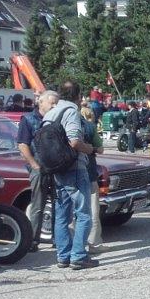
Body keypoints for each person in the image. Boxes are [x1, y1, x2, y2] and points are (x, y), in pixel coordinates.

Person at [44, 81, 98, 270]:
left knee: (61, 215)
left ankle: (63, 256)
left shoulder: (50, 113)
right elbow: (74, 142)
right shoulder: (71, 112)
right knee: (83, 215)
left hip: (56, 169)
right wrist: (89, 149)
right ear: (78, 96)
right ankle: (78, 256)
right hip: (74, 168)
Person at [16, 90, 59, 251]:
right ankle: (33, 241)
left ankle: (57, 238)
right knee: (38, 204)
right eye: (52, 103)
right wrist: (34, 164)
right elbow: (22, 144)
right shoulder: (28, 119)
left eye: (57, 103)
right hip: (39, 167)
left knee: (58, 203)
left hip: (56, 167)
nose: (55, 106)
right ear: (41, 102)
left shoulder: (55, 119)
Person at [79, 106, 104, 253]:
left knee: (73, 210)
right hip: (89, 170)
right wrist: (92, 149)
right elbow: (100, 149)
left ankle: (74, 244)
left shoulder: (63, 125)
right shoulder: (90, 127)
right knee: (93, 209)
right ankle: (94, 243)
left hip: (69, 172)